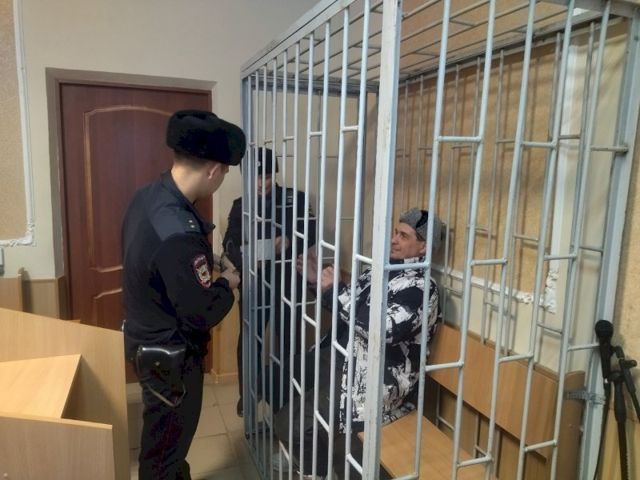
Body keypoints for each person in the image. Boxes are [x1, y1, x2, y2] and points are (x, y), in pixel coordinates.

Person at [273, 208, 444, 478]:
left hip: (374, 377)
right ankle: (305, 450)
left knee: (291, 425)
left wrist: (335, 289)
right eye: (395, 232)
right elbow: (346, 307)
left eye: (404, 235)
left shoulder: (422, 288)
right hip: (342, 355)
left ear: (423, 247)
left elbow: (381, 330)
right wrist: (318, 283)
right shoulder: (381, 270)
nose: (394, 239)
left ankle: (313, 468)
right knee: (277, 378)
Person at [122, 109, 245, 480]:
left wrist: (209, 265)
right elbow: (200, 312)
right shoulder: (180, 231)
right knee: (165, 451)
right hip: (170, 356)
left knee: (163, 442)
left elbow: (162, 270)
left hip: (147, 340)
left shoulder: (148, 197)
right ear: (213, 170)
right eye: (225, 172)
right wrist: (228, 282)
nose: (221, 180)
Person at [223, 148, 316, 417]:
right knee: (249, 340)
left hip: (289, 280)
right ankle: (248, 394)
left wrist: (288, 241)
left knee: (289, 340)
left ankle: (285, 396)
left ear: (274, 174)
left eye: (266, 176)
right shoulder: (241, 205)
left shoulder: (295, 199)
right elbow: (229, 243)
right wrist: (253, 255)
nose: (261, 183)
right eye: (255, 177)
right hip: (255, 282)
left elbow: (311, 231)